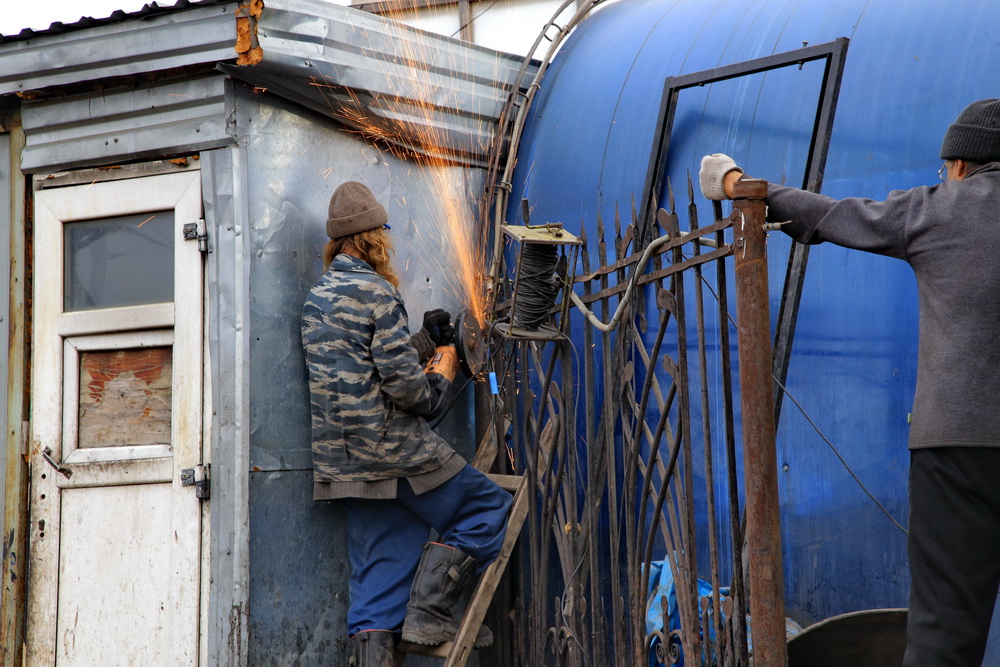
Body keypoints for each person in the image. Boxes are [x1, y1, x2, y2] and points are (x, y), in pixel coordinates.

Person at [699, 98, 1000, 667]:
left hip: (957, 450)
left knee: (946, 632)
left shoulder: (940, 209)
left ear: (962, 163)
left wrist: (738, 183)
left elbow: (831, 216)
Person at [301, 181, 512, 666]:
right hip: (394, 454)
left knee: (379, 578)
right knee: (487, 508)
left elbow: (359, 364)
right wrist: (438, 379)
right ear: (369, 238)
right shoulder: (378, 293)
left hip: (344, 465)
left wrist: (422, 340)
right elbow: (406, 391)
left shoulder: (317, 299)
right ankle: (428, 613)